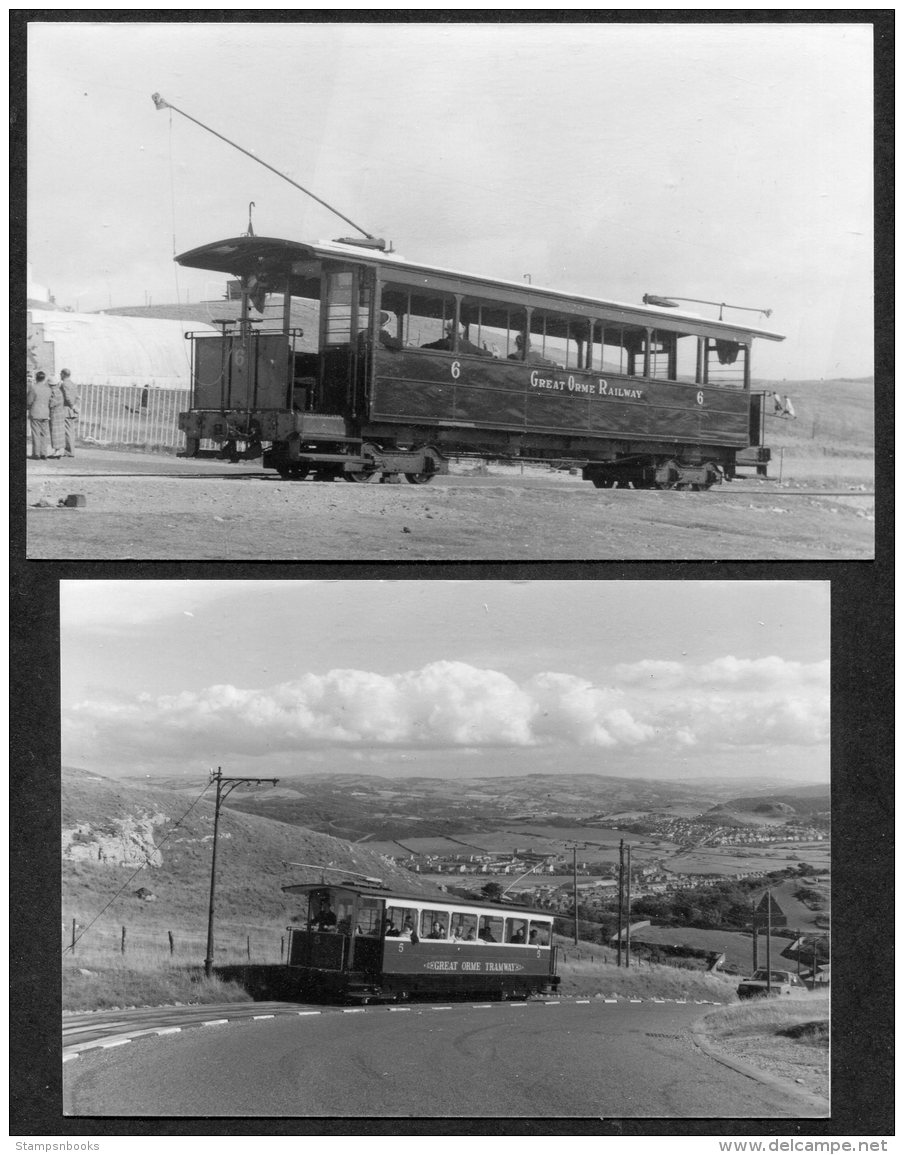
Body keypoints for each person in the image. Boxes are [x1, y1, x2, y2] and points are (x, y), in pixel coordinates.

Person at [27, 370, 59, 460]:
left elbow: (29, 401)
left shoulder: (33, 388)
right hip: (45, 413)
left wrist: (28, 407)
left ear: (36, 378)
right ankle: (43, 453)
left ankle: (36, 453)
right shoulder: (48, 389)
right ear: (44, 378)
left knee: (36, 434)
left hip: (35, 413)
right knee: (44, 434)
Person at [58, 368, 80, 457]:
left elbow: (67, 397)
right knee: (70, 431)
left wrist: (72, 406)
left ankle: (69, 451)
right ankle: (70, 450)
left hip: (67, 410)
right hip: (71, 411)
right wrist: (76, 406)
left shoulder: (64, 384)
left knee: (67, 432)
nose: (60, 375)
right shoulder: (73, 384)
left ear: (63, 374)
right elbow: (76, 397)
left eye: (61, 374)